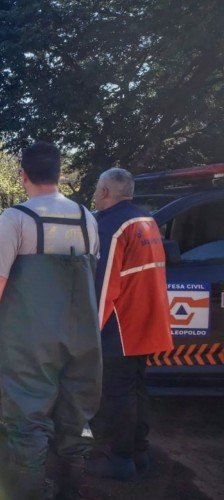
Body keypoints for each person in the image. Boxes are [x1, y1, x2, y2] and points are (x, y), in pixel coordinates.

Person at [0, 141, 102, 499]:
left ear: (23, 176)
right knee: (74, 420)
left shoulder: (16, 218)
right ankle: (70, 492)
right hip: (82, 337)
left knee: (28, 420)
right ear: (61, 174)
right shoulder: (87, 218)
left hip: (30, 338)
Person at [87, 168, 174, 480]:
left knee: (116, 393)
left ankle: (119, 458)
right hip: (147, 322)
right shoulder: (146, 219)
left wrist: (90, 333)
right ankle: (139, 452)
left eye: (97, 189)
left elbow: (105, 284)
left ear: (107, 192)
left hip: (120, 326)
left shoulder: (112, 225)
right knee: (136, 388)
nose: (95, 195)